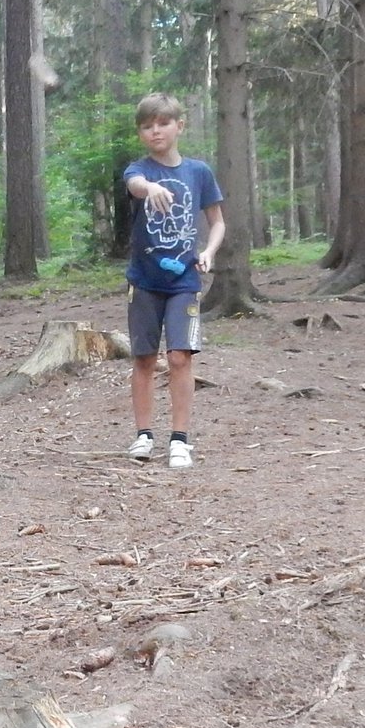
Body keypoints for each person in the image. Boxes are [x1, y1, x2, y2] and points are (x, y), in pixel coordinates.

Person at [121, 93, 224, 471]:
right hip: (144, 281)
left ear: (179, 126)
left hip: (185, 281)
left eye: (163, 123)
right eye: (147, 126)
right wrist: (150, 188)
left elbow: (217, 221)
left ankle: (180, 439)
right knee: (145, 358)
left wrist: (209, 251)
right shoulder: (139, 169)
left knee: (180, 357)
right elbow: (134, 184)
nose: (155, 131)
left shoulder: (199, 172)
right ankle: (144, 434)